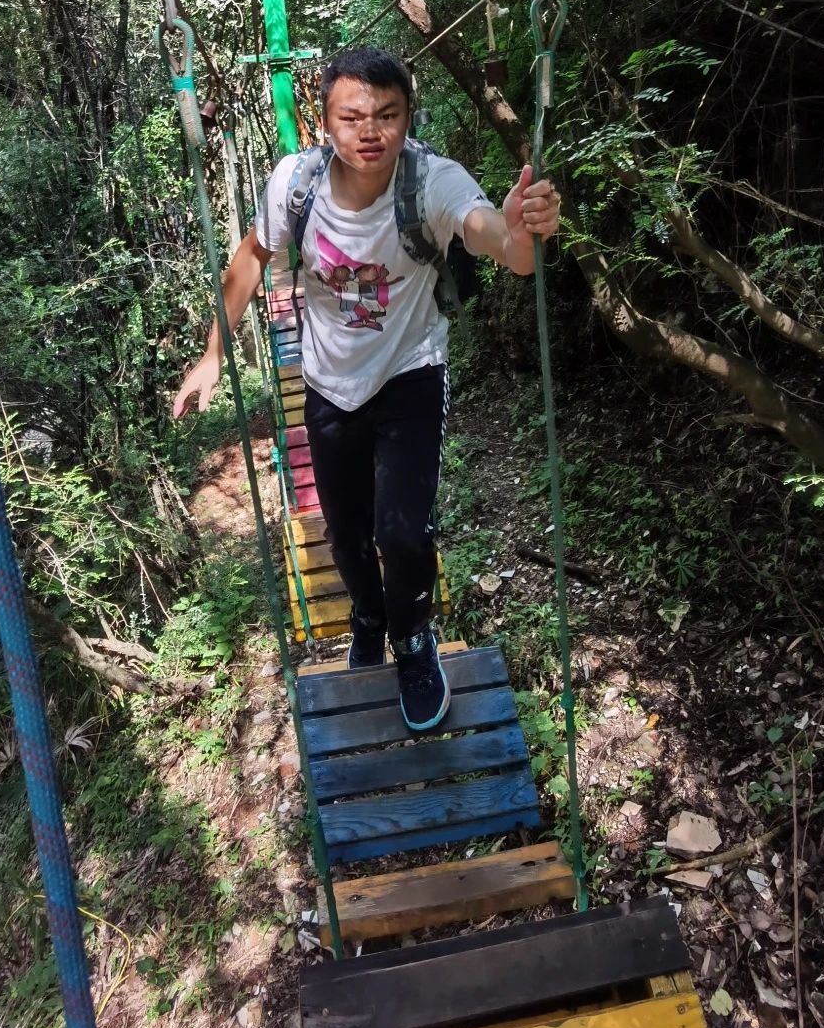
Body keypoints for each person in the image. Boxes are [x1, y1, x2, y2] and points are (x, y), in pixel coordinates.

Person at [172, 46, 561, 732]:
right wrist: (212, 353)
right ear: (324, 122)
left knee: (402, 531)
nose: (370, 131)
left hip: (411, 371)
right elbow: (251, 258)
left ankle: (411, 641)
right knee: (346, 534)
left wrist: (521, 231)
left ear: (409, 116)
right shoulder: (296, 185)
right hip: (328, 384)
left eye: (388, 114)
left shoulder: (432, 182)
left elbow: (504, 249)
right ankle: (369, 615)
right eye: (352, 117)